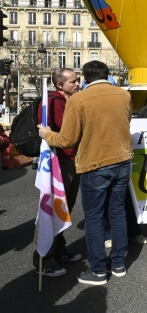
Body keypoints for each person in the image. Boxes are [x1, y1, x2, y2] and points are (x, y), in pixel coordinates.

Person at [39, 61, 133, 285]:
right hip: (122, 160)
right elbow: (126, 122)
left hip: (94, 163)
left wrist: (46, 134)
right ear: (107, 75)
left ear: (84, 78)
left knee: (94, 218)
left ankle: (99, 270)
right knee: (118, 214)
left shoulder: (79, 100)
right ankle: (119, 263)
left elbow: (67, 139)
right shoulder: (123, 95)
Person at [33, 68, 82, 277]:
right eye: (73, 82)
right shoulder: (52, 102)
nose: (78, 84)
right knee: (53, 209)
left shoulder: (67, 101)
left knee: (65, 209)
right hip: (59, 162)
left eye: (78, 80)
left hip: (71, 160)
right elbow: (67, 132)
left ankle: (59, 251)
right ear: (59, 85)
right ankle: (44, 259)